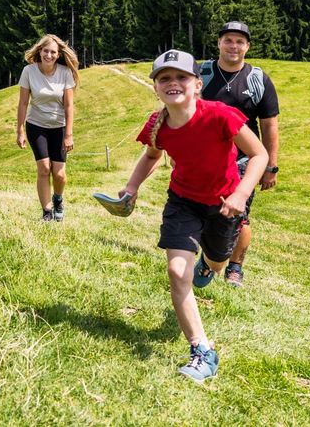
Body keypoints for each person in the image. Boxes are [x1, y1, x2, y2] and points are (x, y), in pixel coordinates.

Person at [118, 49, 267, 382]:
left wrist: (241, 194)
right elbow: (151, 156)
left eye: (181, 77)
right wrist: (131, 187)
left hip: (224, 204)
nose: (173, 83)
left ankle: (209, 264)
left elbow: (259, 154)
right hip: (183, 202)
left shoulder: (220, 115)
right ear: (156, 87)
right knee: (176, 271)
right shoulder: (159, 124)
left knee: (217, 262)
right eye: (165, 78)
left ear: (197, 84)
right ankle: (202, 350)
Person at [199, 21, 280, 288]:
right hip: (204, 158)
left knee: (238, 214)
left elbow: (269, 126)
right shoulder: (203, 74)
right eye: (228, 40)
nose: (234, 46)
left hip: (243, 161)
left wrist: (271, 166)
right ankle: (208, 260)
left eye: (239, 41)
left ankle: (235, 268)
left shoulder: (258, 79)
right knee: (201, 210)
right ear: (219, 43)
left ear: (247, 47)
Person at [15, 34, 79, 222]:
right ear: (40, 51)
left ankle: (58, 199)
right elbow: (23, 103)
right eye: (45, 51)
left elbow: (69, 106)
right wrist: (19, 130)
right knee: (43, 168)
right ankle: (47, 212)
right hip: (36, 125)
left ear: (58, 55)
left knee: (59, 173)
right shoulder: (29, 71)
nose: (48, 55)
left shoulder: (65, 73)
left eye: (53, 52)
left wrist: (69, 134)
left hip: (59, 127)